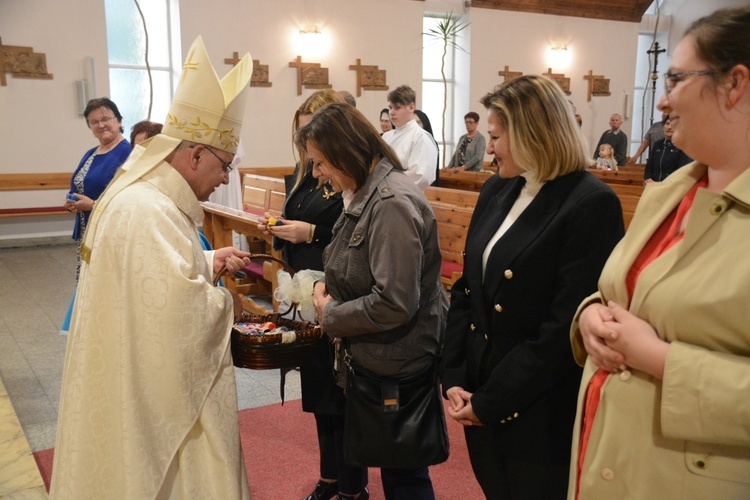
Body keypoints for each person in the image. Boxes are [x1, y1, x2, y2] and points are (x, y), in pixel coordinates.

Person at [50, 36, 254, 499]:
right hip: (158, 404)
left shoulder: (147, 199)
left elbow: (149, 276)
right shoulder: (147, 208)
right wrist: (229, 306)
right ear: (196, 154)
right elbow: (176, 314)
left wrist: (204, 260)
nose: (226, 179)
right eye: (224, 166)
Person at [569, 7, 750, 499]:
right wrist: (589, 318)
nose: (664, 101)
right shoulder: (671, 190)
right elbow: (624, 293)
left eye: (675, 79)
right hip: (608, 457)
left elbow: (656, 335)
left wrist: (659, 359)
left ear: (735, 84)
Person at [440, 75, 624, 499]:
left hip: (536, 406)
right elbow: (467, 288)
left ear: (532, 134)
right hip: (480, 390)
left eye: (496, 136)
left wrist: (492, 402)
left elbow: (563, 328)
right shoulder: (498, 188)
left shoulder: (589, 203)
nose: (488, 148)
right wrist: (453, 375)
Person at [305, 103, 448, 499]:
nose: (316, 173)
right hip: (380, 356)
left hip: (398, 360)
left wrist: (330, 314)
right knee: (395, 470)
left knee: (404, 477)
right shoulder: (365, 192)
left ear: (344, 152)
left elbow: (395, 302)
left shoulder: (389, 204)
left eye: (319, 163)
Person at [258, 90, 368, 500]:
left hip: (336, 287)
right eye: (302, 130)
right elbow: (300, 216)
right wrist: (282, 229)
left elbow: (352, 233)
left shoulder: (348, 176)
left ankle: (353, 487)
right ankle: (330, 478)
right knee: (321, 391)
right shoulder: (307, 172)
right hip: (307, 287)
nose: (307, 139)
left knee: (340, 395)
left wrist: (311, 233)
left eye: (313, 129)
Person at [59, 97, 131, 335]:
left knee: (108, 285)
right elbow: (79, 185)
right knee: (89, 285)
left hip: (111, 230)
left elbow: (129, 196)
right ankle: (93, 330)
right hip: (87, 228)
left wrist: (94, 205)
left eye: (106, 119)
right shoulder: (92, 152)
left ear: (118, 120)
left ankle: (111, 332)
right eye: (94, 122)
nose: (101, 125)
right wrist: (73, 201)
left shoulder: (127, 152)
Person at [382, 85, 438, 190]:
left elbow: (420, 177)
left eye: (397, 107)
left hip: (405, 197)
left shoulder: (421, 138)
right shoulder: (386, 136)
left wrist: (386, 187)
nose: (392, 112)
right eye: (390, 108)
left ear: (411, 107)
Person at [643, 116, 692, 184]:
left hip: (672, 187)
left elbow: (682, 171)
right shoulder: (658, 144)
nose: (669, 127)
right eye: (667, 123)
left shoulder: (683, 146)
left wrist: (665, 184)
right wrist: (648, 179)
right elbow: (649, 166)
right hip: (653, 185)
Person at [414, 109, 441, 187]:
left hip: (427, 185)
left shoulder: (429, 142)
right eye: (412, 122)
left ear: (424, 123)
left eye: (418, 122)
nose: (415, 125)